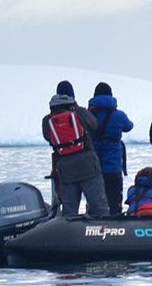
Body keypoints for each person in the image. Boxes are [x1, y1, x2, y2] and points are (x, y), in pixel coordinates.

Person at [42, 80, 108, 217]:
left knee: (69, 212)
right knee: (100, 209)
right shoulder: (80, 112)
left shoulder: (48, 120)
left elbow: (49, 137)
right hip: (89, 166)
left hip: (66, 170)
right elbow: (95, 125)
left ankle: (69, 237)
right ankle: (104, 234)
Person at [87, 82, 135, 215]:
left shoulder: (88, 115)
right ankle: (117, 226)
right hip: (113, 165)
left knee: (96, 202)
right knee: (114, 200)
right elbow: (129, 126)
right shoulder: (119, 115)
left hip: (94, 167)